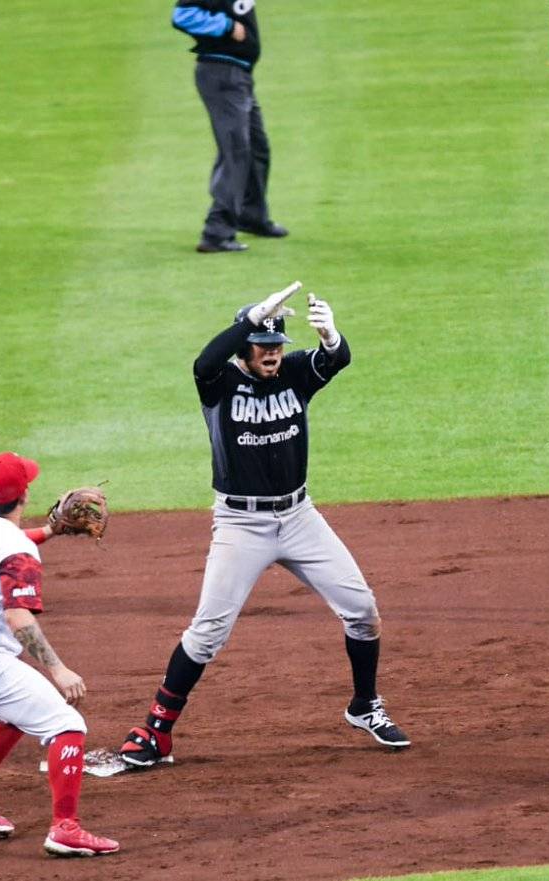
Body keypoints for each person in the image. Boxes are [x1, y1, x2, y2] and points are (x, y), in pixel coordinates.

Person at [120, 281, 409, 770]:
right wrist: (248, 322)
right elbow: (203, 362)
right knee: (208, 632)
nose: (273, 355)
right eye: (263, 346)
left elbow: (335, 362)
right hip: (240, 523)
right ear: (244, 348)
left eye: (277, 346)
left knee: (362, 610)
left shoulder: (295, 374)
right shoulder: (220, 385)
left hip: (299, 517)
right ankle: (155, 732)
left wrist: (331, 339)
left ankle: (364, 706)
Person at [0, 452, 118, 858]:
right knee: (67, 723)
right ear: (24, 494)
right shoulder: (17, 552)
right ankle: (65, 829)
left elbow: (6, 549)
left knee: (16, 712)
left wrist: (50, 531)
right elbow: (18, 616)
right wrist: (58, 668)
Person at [172, 0, 289, 253]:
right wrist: (225, 26)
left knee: (257, 148)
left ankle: (252, 215)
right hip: (222, 74)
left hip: (238, 75)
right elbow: (182, 15)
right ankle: (216, 232)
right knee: (236, 151)